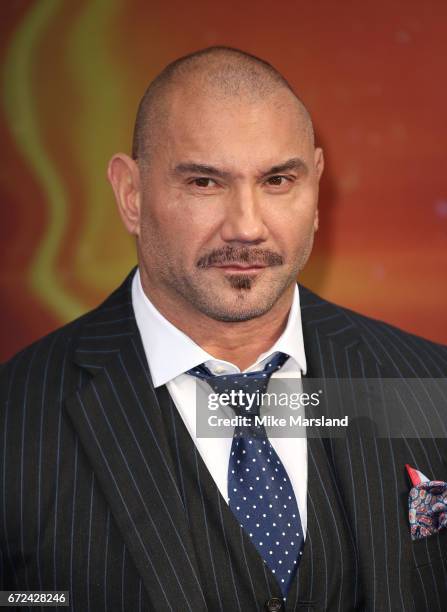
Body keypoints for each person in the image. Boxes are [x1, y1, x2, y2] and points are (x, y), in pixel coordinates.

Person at [1, 46, 446, 612]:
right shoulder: (14, 418)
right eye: (205, 183)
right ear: (130, 195)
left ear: (316, 189)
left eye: (278, 180)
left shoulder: (430, 383)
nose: (247, 226)